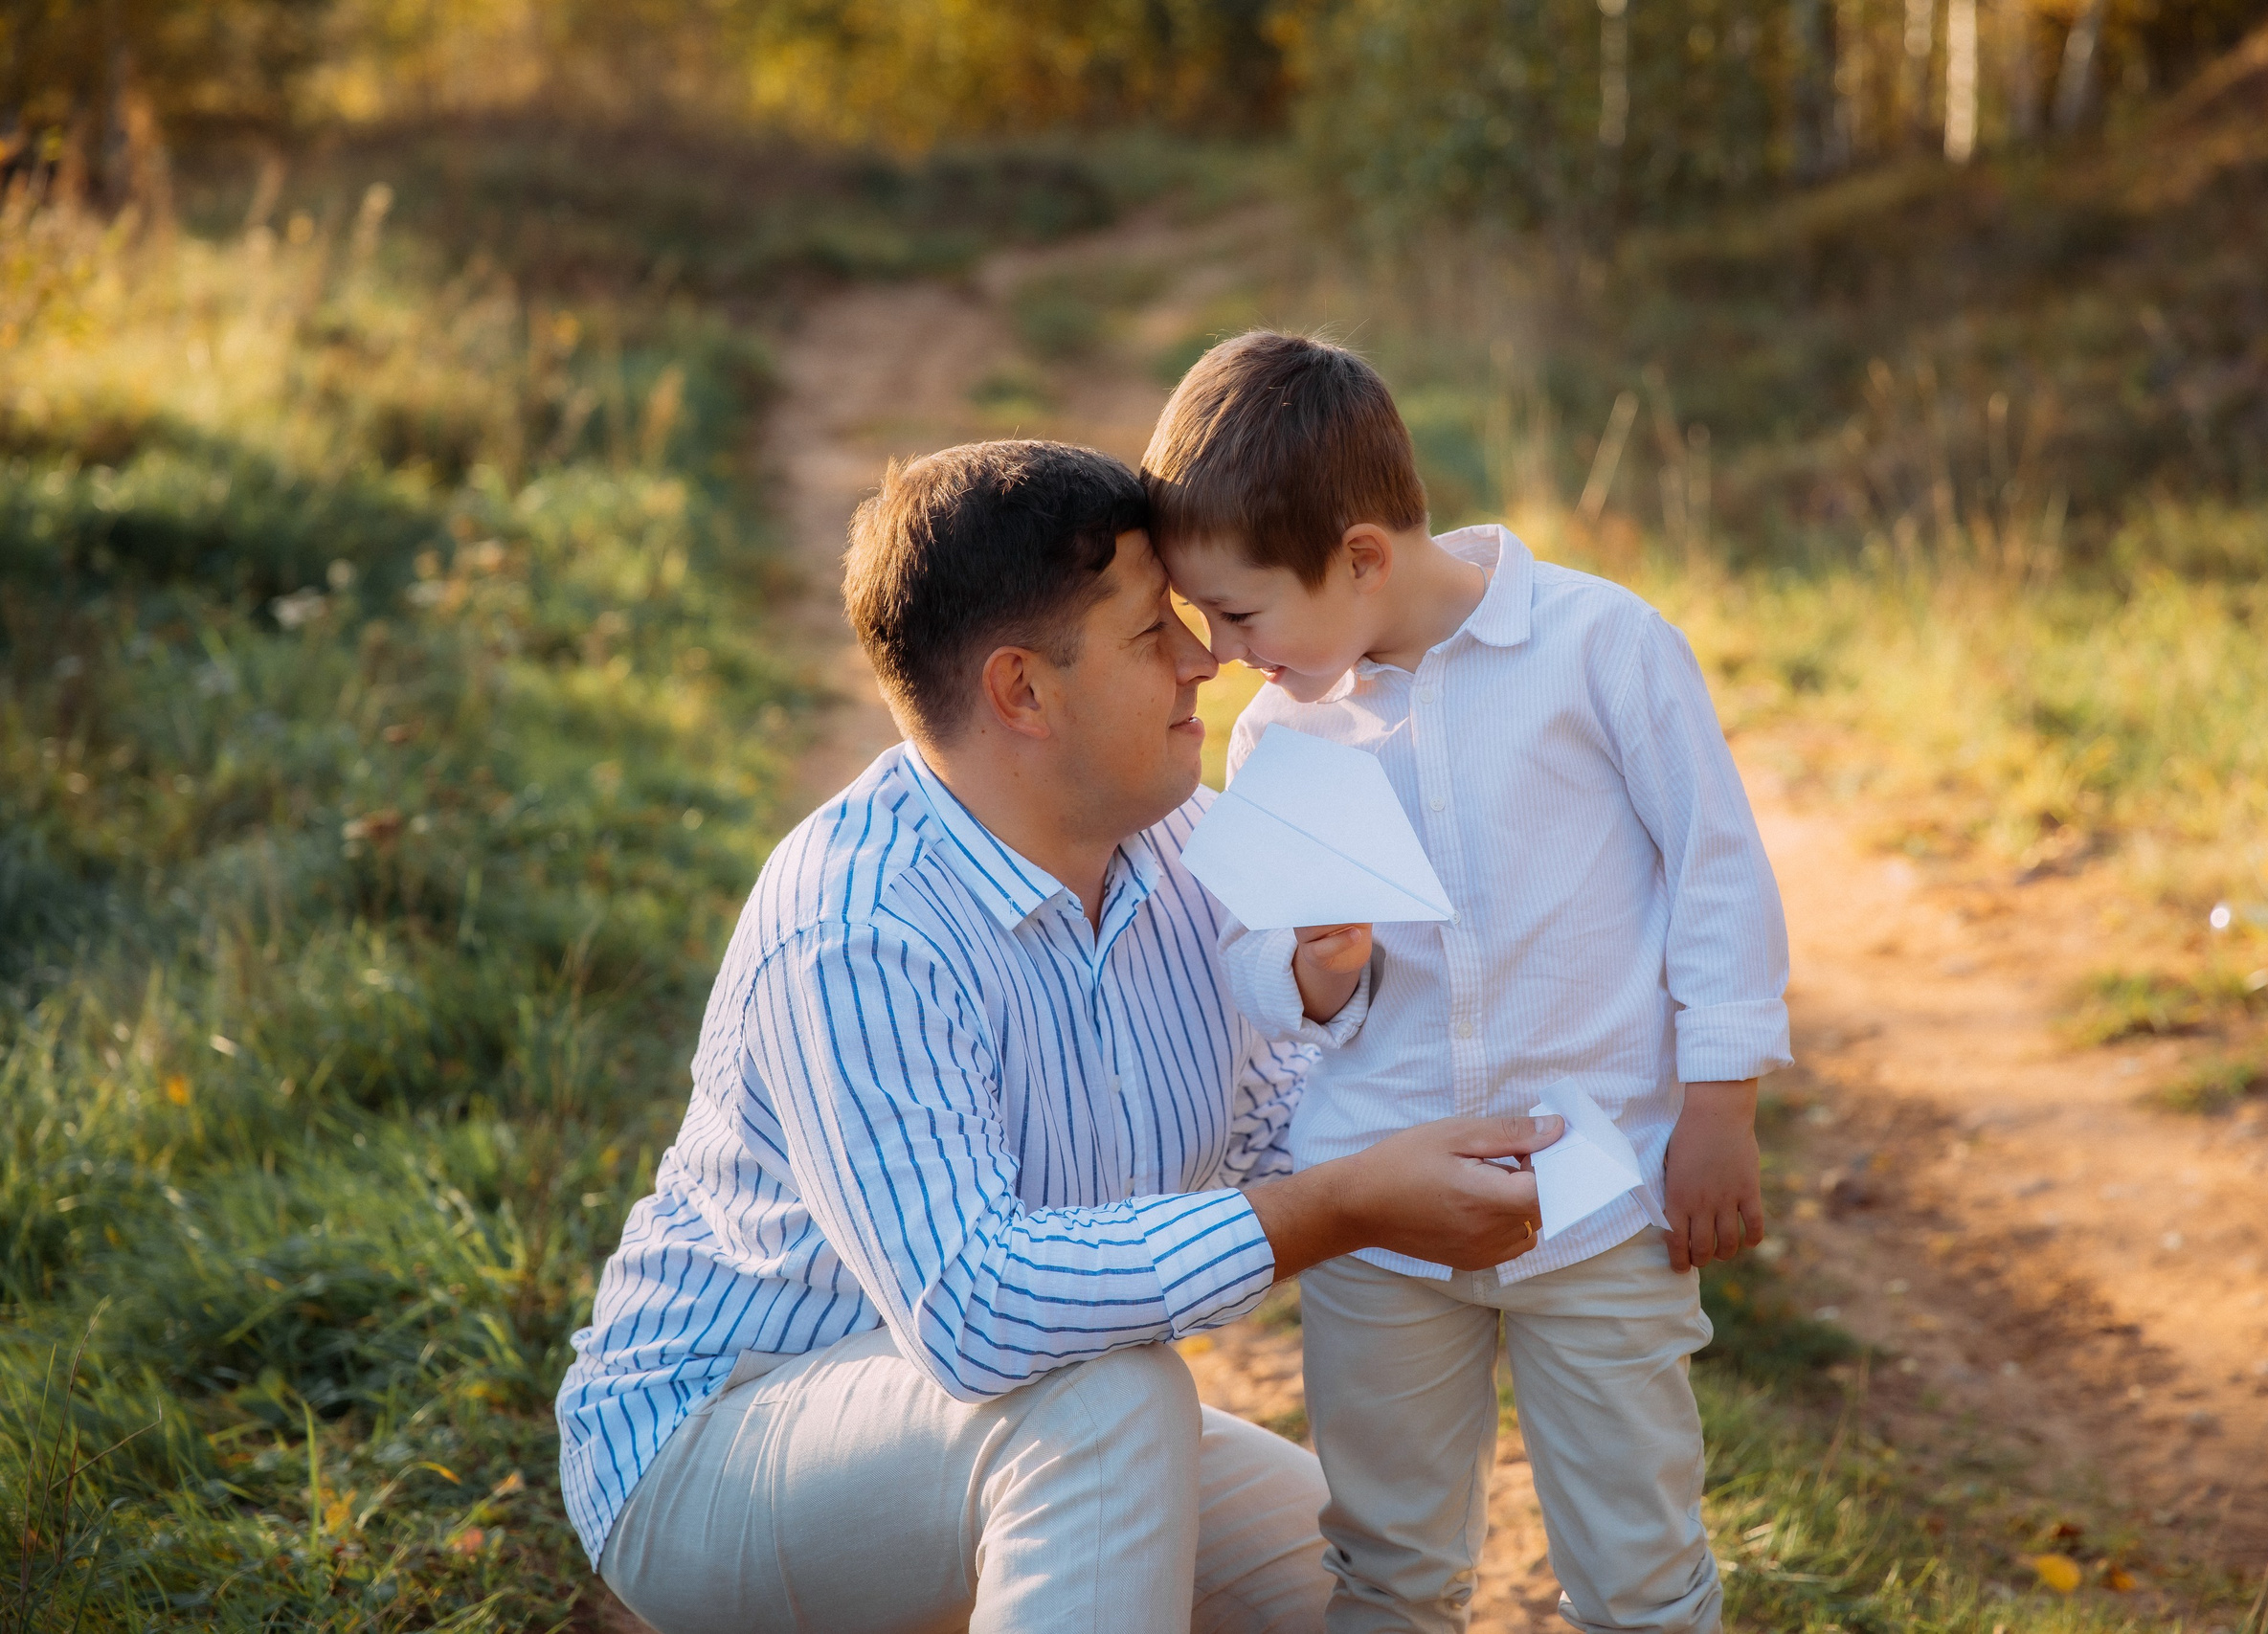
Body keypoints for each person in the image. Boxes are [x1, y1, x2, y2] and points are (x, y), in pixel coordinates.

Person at [554, 438, 1565, 1634]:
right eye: (1153, 635)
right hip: (718, 1446)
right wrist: (1342, 1209)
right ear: (1021, 691)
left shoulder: (1192, 848)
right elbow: (976, 1313)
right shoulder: (854, 928)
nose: (1206, 660)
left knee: (1363, 1574)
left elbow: (1276, 1121)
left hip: (1004, 1423)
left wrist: (1516, 1144)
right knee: (1115, 1405)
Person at [1143, 331, 1792, 1634]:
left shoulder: (1601, 647)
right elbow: (1267, 976)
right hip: (1382, 1217)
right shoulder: (1282, 726)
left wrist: (1720, 1106)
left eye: (1241, 610)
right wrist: (1317, 971)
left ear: (1365, 556)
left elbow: (1717, 874)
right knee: (1385, 1561)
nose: (1219, 650)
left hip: (1600, 1195)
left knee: (1640, 1560)